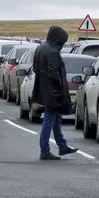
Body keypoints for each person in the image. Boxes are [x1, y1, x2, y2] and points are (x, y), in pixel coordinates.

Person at [32, 25, 79, 160]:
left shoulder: (40, 48)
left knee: (56, 119)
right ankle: (45, 150)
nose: (62, 44)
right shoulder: (53, 51)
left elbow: (35, 68)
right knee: (49, 119)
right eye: (62, 41)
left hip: (44, 89)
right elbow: (54, 72)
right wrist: (59, 87)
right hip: (53, 92)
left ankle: (62, 146)